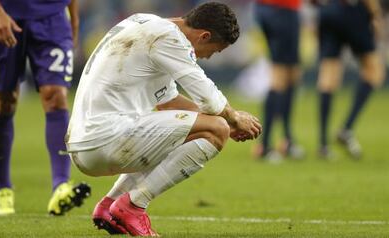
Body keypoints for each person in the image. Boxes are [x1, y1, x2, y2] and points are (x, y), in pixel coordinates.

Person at [66, 2, 262, 236]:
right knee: (216, 128)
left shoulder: (148, 25)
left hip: (86, 142)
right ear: (204, 36)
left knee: (209, 128)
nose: (208, 58)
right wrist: (232, 118)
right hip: (105, 139)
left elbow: (169, 102)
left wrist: (227, 124)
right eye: (214, 50)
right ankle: (134, 205)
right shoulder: (170, 39)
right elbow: (208, 98)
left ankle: (110, 205)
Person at [0, 0, 90, 215]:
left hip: (53, 16)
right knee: (4, 102)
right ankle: (3, 188)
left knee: (56, 96)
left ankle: (60, 186)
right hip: (7, 12)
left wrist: (73, 15)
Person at [316, 0, 385, 159]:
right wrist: (375, 14)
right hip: (352, 10)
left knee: (327, 78)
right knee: (374, 71)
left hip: (328, 11)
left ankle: (323, 145)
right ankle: (346, 129)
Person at [253, 0, 304, 161]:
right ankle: (265, 145)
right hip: (283, 10)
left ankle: (287, 139)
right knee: (281, 75)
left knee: (291, 75)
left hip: (264, 9)